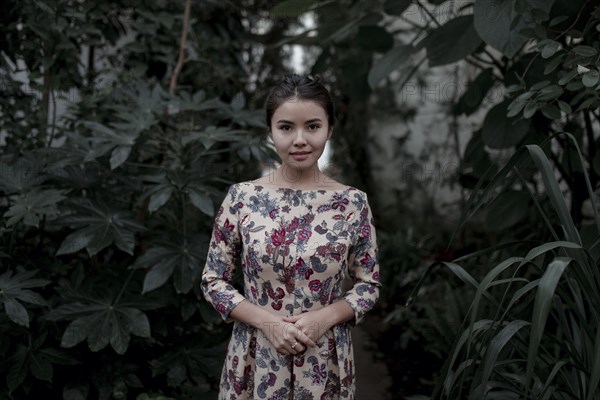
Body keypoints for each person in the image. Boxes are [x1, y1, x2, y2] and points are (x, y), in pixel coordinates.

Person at [201, 74, 381, 399]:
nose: (300, 139)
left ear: (329, 129)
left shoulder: (352, 203)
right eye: (286, 128)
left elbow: (368, 285)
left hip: (325, 361)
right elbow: (213, 281)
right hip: (256, 359)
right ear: (270, 131)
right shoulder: (242, 198)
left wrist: (324, 317)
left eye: (312, 126)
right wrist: (268, 323)